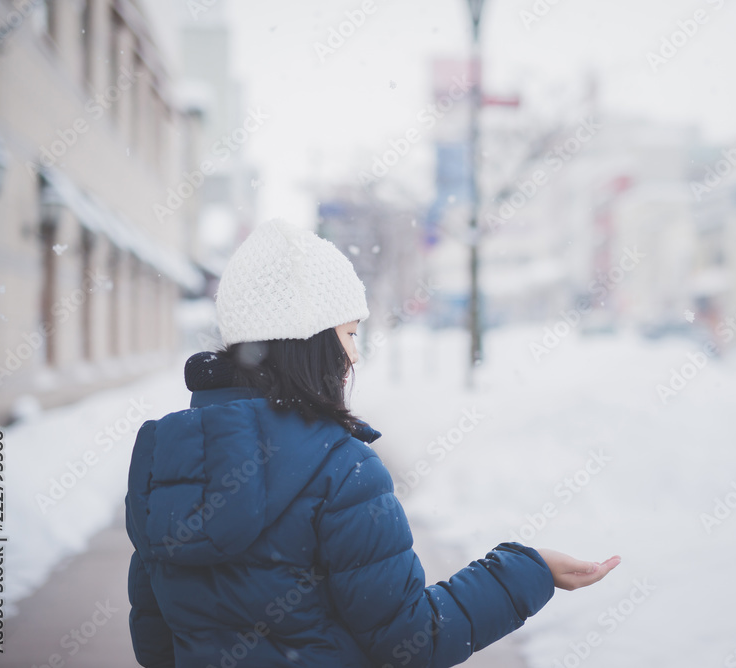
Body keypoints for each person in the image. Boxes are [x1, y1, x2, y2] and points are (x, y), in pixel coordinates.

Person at [125, 219, 620, 667]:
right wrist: (526, 571)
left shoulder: (163, 462)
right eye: (349, 333)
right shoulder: (341, 471)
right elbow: (413, 642)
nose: (354, 356)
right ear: (311, 341)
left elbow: (155, 645)